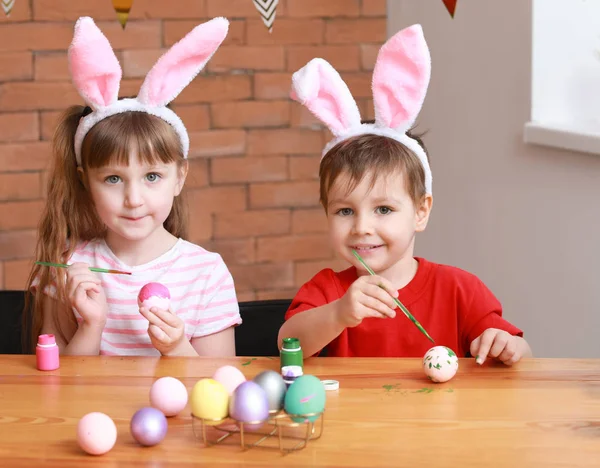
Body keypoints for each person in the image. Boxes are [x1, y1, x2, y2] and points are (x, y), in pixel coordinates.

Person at [278, 24, 532, 365]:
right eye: (345, 211)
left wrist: (507, 346)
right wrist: (338, 314)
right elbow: (287, 344)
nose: (361, 227)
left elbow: (524, 360)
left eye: (383, 209)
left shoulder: (459, 290)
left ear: (421, 211)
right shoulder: (328, 291)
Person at [25, 16, 241, 357]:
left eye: (152, 177)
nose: (134, 199)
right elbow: (57, 387)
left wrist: (176, 346)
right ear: (85, 181)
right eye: (113, 179)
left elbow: (220, 384)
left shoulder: (206, 273)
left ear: (179, 177)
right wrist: (90, 325)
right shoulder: (69, 267)